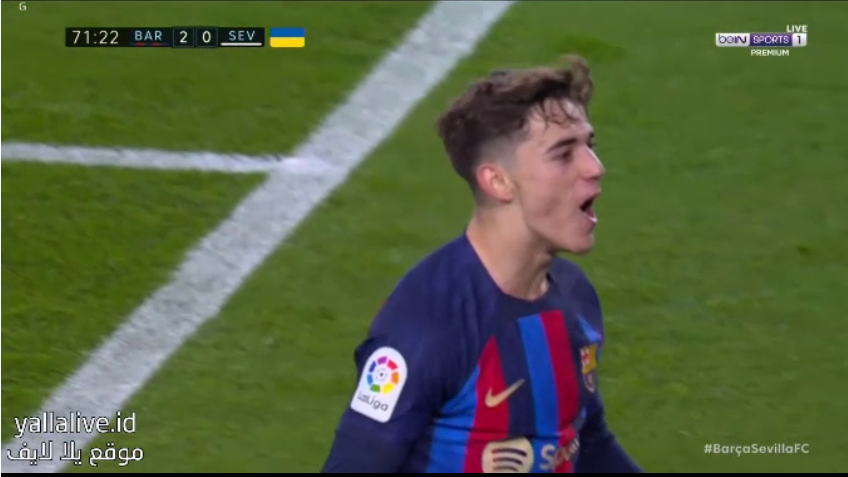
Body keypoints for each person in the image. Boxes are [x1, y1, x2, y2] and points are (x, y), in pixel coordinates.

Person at [321, 54, 642, 473]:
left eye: (590, 147)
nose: (594, 168)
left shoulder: (574, 296)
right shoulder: (430, 324)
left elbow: (587, 440)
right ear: (498, 181)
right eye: (564, 154)